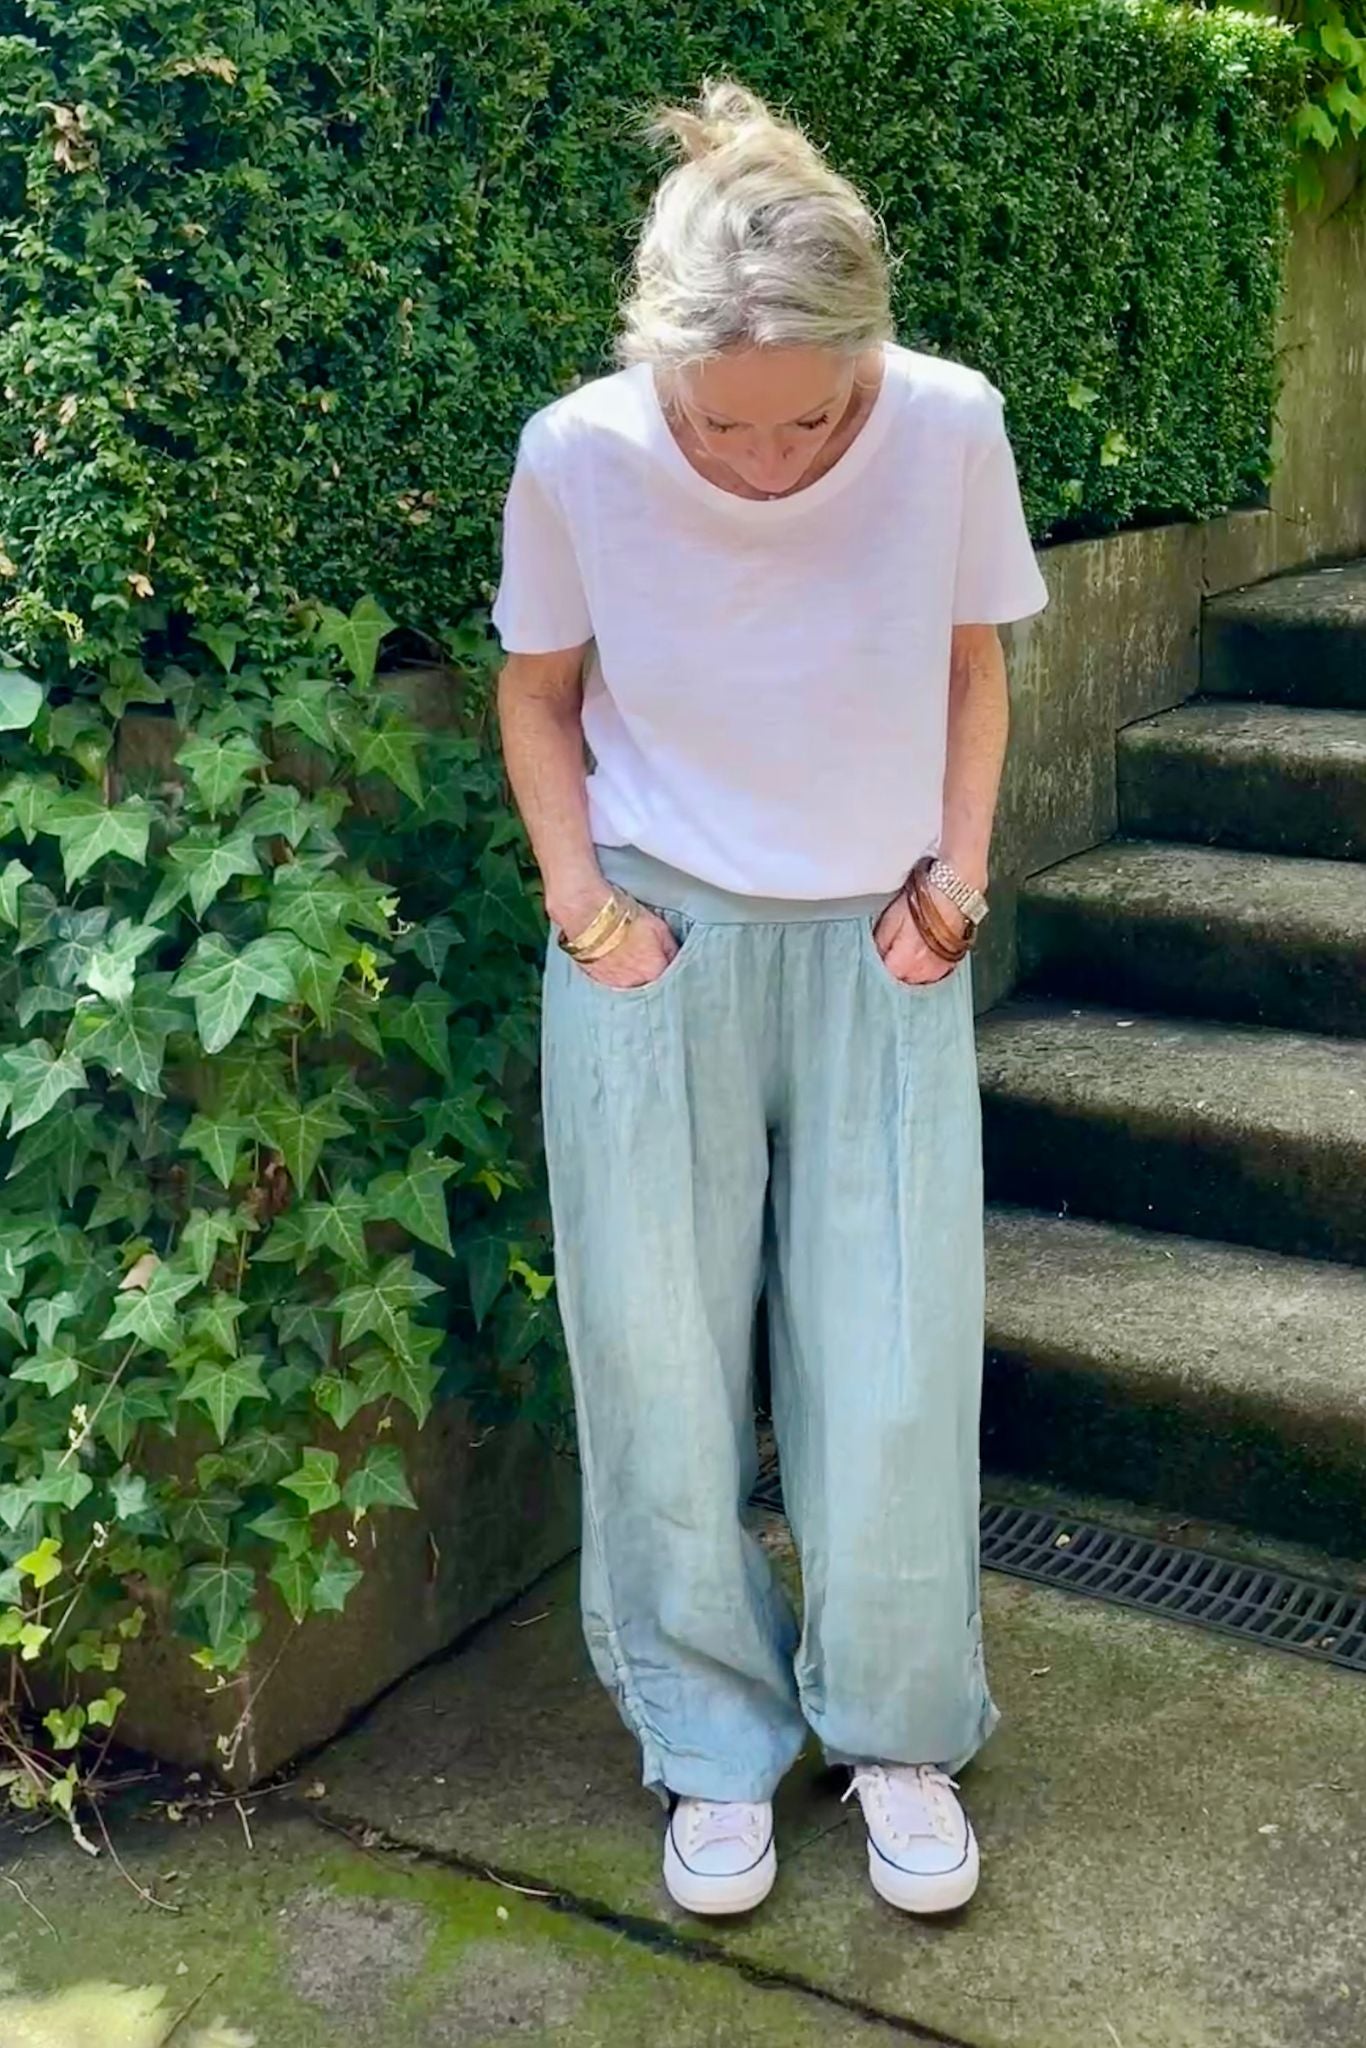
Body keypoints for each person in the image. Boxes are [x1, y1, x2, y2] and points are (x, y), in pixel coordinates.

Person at [492, 77, 1048, 1920]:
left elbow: (968, 669)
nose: (762, 460)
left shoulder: (951, 421)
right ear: (651, 359)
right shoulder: (578, 451)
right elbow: (536, 694)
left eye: (812, 416)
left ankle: (896, 1728)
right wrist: (584, 913)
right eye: (718, 423)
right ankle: (710, 1742)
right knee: (655, 1363)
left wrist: (954, 888)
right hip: (652, 942)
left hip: (885, 938)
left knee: (893, 1363)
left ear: (870, 351)